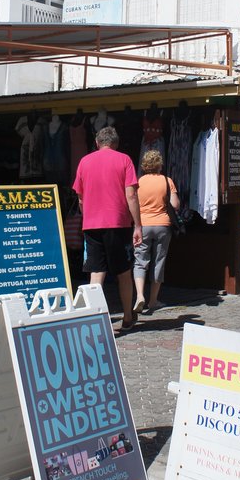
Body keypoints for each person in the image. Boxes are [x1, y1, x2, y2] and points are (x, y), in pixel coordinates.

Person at [73, 125, 142, 332]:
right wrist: (137, 225)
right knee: (123, 271)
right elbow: (131, 195)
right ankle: (128, 317)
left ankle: (94, 320)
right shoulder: (124, 160)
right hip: (117, 223)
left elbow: (80, 198)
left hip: (92, 224)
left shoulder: (84, 162)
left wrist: (88, 218)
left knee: (96, 271)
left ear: (97, 143)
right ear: (116, 143)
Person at [133, 149, 180, 314]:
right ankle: (153, 300)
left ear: (144, 165)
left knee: (140, 261)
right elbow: (175, 205)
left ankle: (139, 296)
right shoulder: (167, 181)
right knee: (158, 262)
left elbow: (132, 203)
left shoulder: (138, 182)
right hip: (162, 225)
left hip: (143, 225)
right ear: (159, 164)